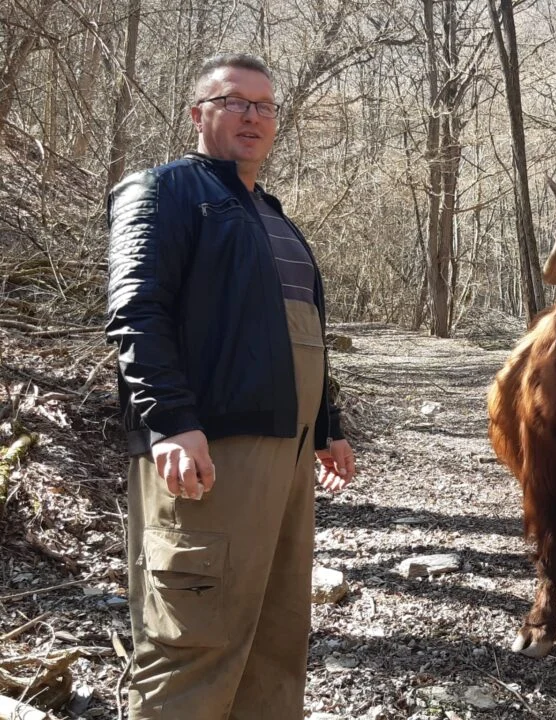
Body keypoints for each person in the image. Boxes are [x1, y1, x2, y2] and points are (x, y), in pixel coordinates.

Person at [105, 52, 356, 720]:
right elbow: (136, 312)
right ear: (198, 114)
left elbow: (295, 331)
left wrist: (327, 428)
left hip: (289, 457)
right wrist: (170, 421)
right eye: (234, 101)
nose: (253, 116)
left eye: (264, 105)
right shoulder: (162, 191)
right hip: (210, 451)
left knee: (277, 636)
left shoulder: (271, 215)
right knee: (194, 637)